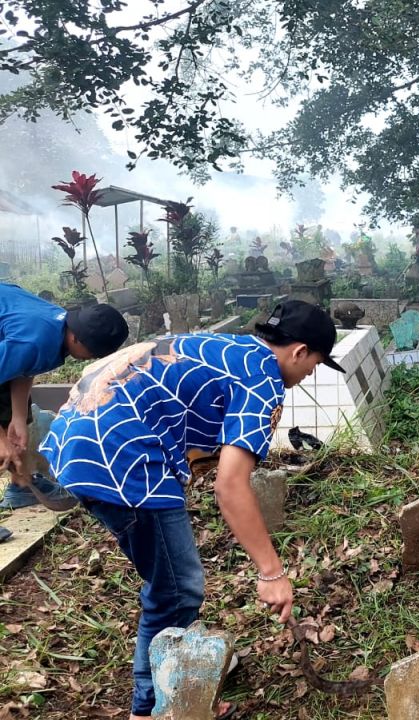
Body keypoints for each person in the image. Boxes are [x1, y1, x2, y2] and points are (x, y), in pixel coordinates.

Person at [39, 300, 345, 720]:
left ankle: (182, 666)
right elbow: (231, 485)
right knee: (176, 589)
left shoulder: (228, 348)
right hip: (120, 457)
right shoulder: (264, 380)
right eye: (313, 365)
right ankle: (151, 708)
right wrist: (272, 574)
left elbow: (178, 406)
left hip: (75, 435)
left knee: (168, 578)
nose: (308, 374)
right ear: (298, 351)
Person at [0, 289, 128, 543]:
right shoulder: (35, 341)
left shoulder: (57, 330)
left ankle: (22, 485)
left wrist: (17, 416)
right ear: (78, 340)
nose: (90, 360)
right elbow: (26, 352)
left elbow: (24, 367)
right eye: (93, 354)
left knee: (14, 425)